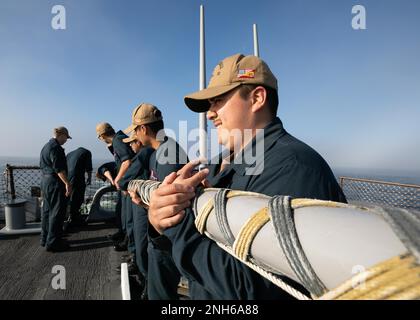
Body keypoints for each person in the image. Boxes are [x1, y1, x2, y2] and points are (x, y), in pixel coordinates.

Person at [146, 53, 347, 299]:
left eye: (218, 100)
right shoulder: (220, 164)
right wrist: (161, 222)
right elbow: (196, 262)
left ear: (257, 98)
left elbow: (252, 290)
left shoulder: (294, 168)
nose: (210, 114)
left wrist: (178, 223)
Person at [125, 103, 188, 300]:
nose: (135, 135)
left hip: (168, 241)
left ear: (143, 128)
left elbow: (171, 205)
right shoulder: (158, 152)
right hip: (161, 239)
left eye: (135, 130)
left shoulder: (168, 153)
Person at [119, 133, 154, 298]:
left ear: (138, 141)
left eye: (132, 143)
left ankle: (146, 283)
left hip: (143, 204)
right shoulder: (150, 153)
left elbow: (124, 181)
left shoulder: (144, 153)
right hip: (143, 203)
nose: (131, 146)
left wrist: (123, 183)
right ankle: (145, 280)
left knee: (143, 246)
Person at [96, 122, 135, 251]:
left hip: (127, 182)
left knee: (128, 216)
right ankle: (123, 236)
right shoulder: (119, 138)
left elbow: (126, 161)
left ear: (102, 136)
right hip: (127, 182)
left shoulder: (117, 141)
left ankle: (128, 243)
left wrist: (117, 179)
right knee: (123, 212)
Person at [39, 126, 73, 252]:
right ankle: (54, 243)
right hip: (55, 182)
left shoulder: (46, 146)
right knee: (57, 213)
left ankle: (45, 238)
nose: (66, 140)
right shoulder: (56, 148)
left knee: (47, 211)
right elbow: (59, 169)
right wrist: (67, 184)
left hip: (45, 181)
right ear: (61, 135)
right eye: (66, 138)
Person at [66, 147, 93, 227]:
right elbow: (89, 167)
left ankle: (69, 216)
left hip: (67, 177)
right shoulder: (87, 152)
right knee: (78, 197)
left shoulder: (69, 153)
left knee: (69, 197)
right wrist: (89, 177)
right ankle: (74, 218)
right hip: (77, 177)